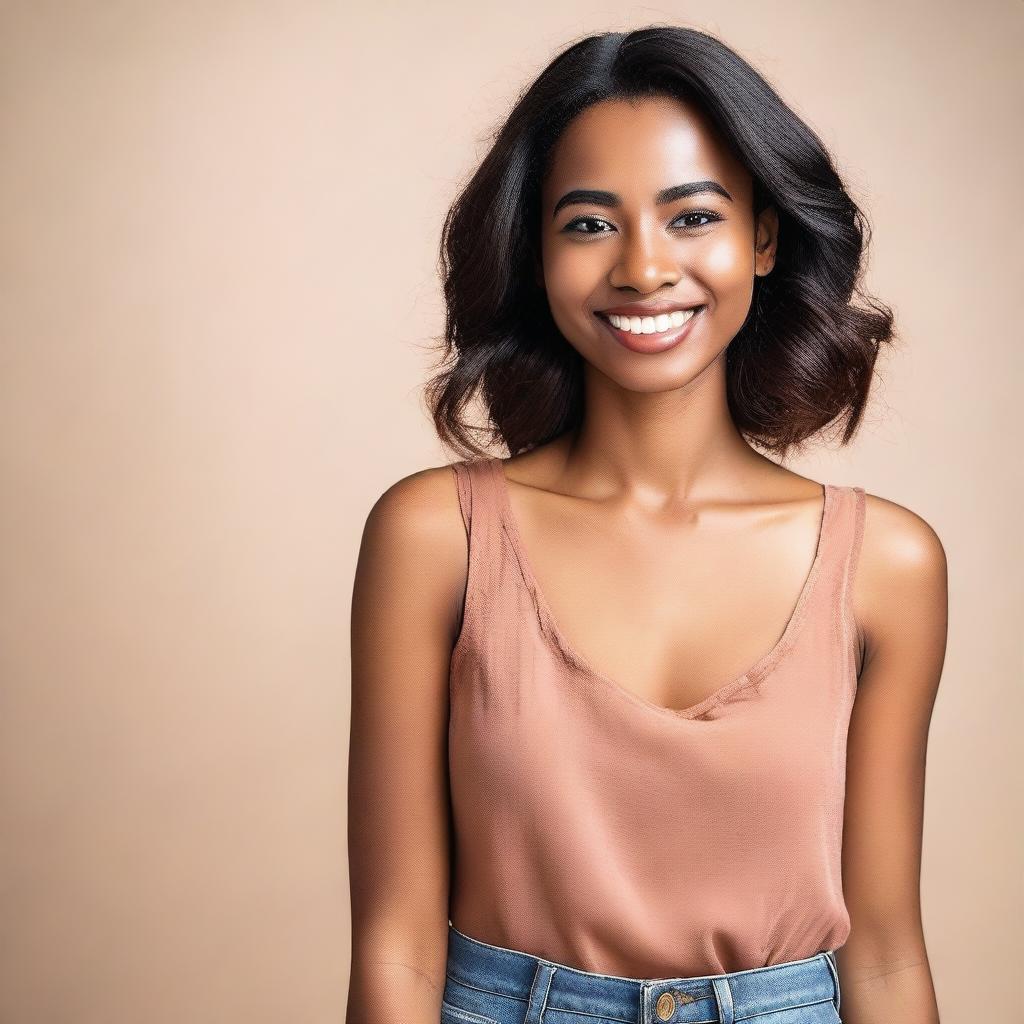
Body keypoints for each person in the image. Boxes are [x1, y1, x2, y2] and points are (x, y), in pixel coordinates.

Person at [348, 26, 947, 1024]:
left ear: (761, 238)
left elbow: (883, 956)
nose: (641, 266)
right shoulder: (434, 537)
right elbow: (396, 948)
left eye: (690, 217)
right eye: (588, 224)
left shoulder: (885, 565)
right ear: (535, 251)